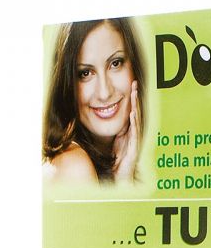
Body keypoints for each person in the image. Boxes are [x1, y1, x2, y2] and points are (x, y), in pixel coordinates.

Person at [43, 18, 145, 184]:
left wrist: (123, 178)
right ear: (67, 85)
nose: (104, 93)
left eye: (115, 63)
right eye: (85, 73)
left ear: (135, 66)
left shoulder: (128, 156)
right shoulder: (75, 167)